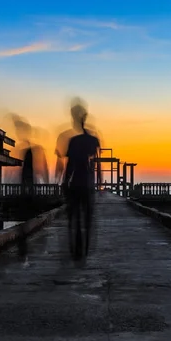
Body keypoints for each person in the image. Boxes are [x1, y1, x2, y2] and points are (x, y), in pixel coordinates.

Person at [58, 101, 100, 261]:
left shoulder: (74, 141)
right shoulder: (93, 140)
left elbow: (70, 165)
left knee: (74, 217)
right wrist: (100, 181)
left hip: (76, 183)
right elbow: (97, 163)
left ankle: (77, 247)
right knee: (87, 217)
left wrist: (65, 182)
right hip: (88, 184)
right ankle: (85, 247)